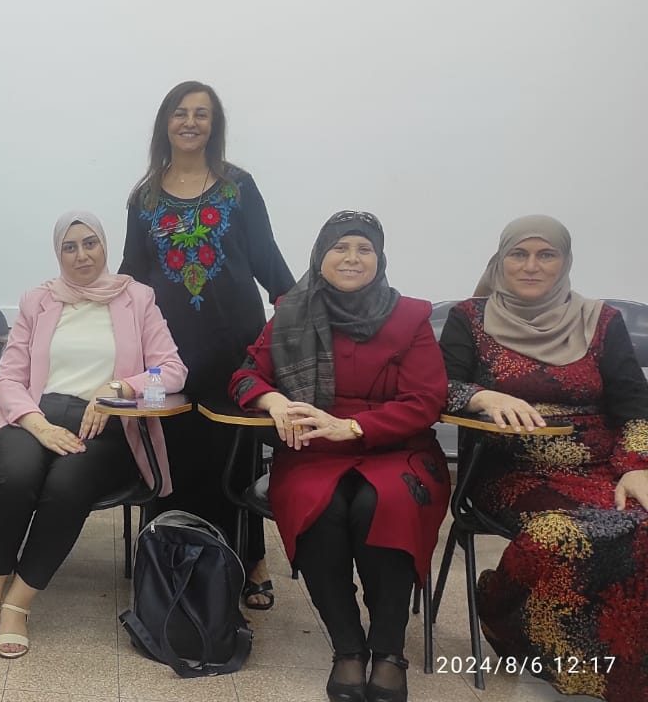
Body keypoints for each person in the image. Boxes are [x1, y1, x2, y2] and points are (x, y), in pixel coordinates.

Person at [229, 212, 447, 702]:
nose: (351, 258)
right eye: (340, 248)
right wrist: (273, 400)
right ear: (320, 256)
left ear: (380, 258)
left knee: (384, 503)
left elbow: (425, 400)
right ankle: (347, 646)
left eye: (363, 249)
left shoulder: (410, 317)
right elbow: (245, 376)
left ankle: (388, 650)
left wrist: (352, 426)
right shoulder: (291, 311)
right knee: (320, 506)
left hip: (398, 449)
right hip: (313, 451)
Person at [440, 215, 648, 701]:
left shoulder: (601, 321)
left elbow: (635, 403)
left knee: (639, 524)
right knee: (563, 532)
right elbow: (437, 386)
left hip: (602, 465)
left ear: (565, 261)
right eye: (519, 254)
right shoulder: (470, 318)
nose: (531, 266)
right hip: (509, 468)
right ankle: (503, 612)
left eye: (546, 255)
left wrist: (637, 466)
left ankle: (625, 665)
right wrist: (483, 397)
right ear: (501, 260)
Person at [0, 211, 186, 658]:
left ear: (104, 246)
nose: (81, 255)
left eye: (90, 243)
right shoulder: (37, 300)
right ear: (58, 253)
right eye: (70, 247)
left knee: (67, 484)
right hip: (35, 417)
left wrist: (119, 388)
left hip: (104, 424)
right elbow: (9, 378)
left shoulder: (137, 298)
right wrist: (37, 424)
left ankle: (17, 604)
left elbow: (172, 370)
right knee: (15, 477)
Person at [120, 80, 295, 610]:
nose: (190, 122)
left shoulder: (239, 187)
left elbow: (266, 257)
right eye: (181, 113)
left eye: (201, 113)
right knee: (170, 451)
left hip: (233, 345)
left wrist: (298, 314)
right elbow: (132, 273)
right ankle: (168, 556)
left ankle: (251, 559)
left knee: (235, 454)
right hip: (165, 355)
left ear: (214, 125)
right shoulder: (145, 197)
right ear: (165, 123)